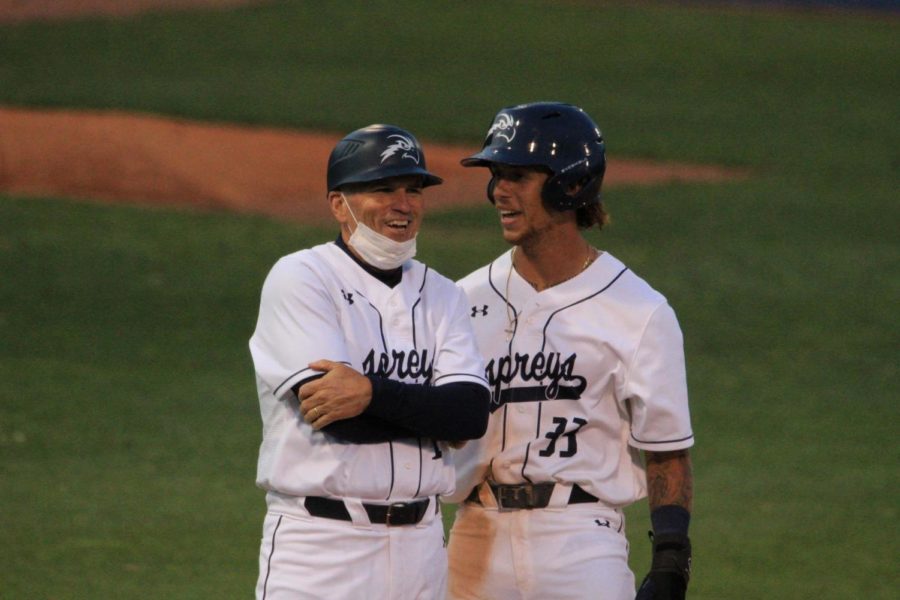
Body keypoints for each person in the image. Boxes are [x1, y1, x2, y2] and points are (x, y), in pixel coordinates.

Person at [446, 102, 695, 600]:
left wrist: (671, 560)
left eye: (517, 175)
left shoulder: (639, 310)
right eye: (497, 175)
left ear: (571, 184)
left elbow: (666, 452)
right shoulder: (462, 301)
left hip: (579, 542)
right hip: (473, 535)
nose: (499, 191)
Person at [249, 124, 491, 600]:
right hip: (321, 548)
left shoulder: (444, 294)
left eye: (413, 189)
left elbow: (468, 414)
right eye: (384, 189)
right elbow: (338, 421)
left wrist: (370, 393)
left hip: (421, 549)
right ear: (340, 204)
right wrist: (431, 415)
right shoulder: (302, 278)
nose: (403, 203)